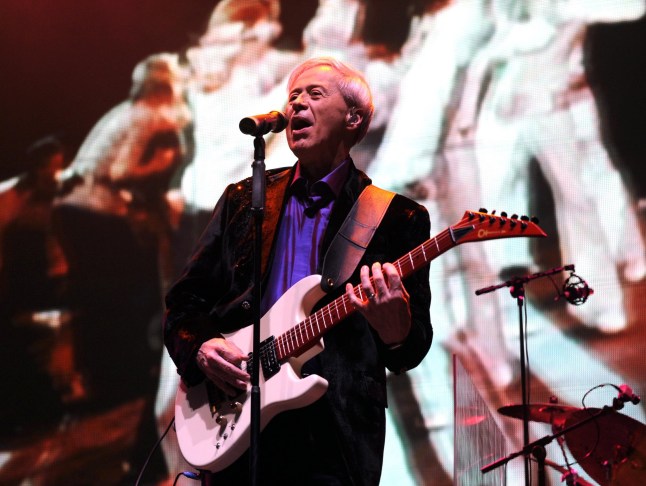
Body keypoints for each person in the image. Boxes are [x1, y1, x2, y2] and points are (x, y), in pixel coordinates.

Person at [163, 57, 433, 485]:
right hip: (237, 421)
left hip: (335, 436)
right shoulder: (243, 200)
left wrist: (394, 325)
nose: (297, 105)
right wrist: (200, 347)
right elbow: (184, 300)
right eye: (292, 96)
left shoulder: (396, 217)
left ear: (354, 118)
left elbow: (411, 347)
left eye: (314, 94)